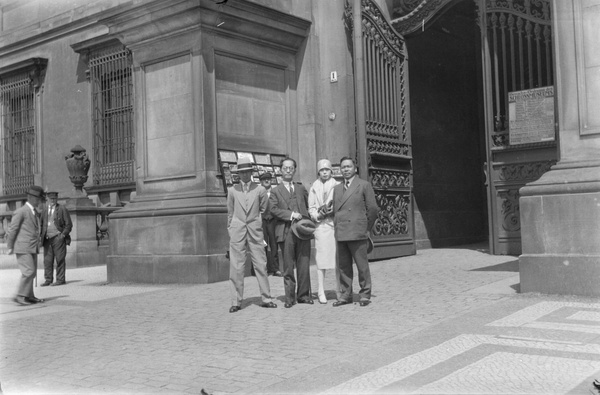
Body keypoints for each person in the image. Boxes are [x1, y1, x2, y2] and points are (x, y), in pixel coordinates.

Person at [227, 157, 277, 313]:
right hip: (237, 231)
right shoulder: (232, 191)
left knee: (261, 264)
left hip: (255, 231)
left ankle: (266, 298)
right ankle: (236, 301)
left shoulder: (260, 190)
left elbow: (264, 208)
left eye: (247, 172)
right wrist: (231, 228)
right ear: (238, 174)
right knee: (236, 266)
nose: (244, 175)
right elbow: (230, 212)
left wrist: (256, 221)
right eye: (241, 172)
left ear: (251, 172)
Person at [332, 157, 379, 307]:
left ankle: (365, 294)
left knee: (361, 265)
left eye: (348, 167)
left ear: (355, 169)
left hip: (357, 231)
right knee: (343, 266)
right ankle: (346, 295)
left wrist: (365, 228)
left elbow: (373, 209)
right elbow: (336, 211)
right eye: (343, 167)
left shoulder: (364, 185)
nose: (346, 169)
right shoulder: (337, 189)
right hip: (342, 232)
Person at [269, 157, 314, 308]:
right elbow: (273, 209)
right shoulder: (275, 191)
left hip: (302, 231)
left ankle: (303, 295)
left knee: (303, 263)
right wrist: (290, 215)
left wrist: (308, 220)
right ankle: (289, 297)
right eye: (285, 168)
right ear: (280, 170)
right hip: (285, 231)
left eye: (291, 168)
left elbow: (308, 206)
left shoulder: (301, 189)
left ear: (294, 170)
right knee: (288, 266)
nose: (288, 170)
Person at [6, 185, 46, 306]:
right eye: (38, 198)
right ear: (30, 198)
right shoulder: (21, 211)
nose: (39, 201)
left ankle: (29, 296)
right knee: (28, 272)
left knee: (32, 272)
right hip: (23, 247)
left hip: (32, 247)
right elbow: (13, 229)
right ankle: (20, 296)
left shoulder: (34, 212)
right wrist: (10, 246)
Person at [308, 159, 340, 304]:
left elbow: (341, 204)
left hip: (335, 225)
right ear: (318, 172)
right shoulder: (314, 187)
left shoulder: (337, 186)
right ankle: (321, 291)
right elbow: (311, 207)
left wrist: (332, 212)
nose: (325, 172)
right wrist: (318, 215)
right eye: (322, 170)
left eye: (327, 169)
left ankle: (339, 289)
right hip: (321, 226)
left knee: (338, 259)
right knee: (321, 260)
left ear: (331, 171)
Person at [40, 191, 73, 286]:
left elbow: (69, 224)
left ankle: (60, 280)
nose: (52, 200)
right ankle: (48, 280)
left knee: (60, 259)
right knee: (47, 261)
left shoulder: (62, 209)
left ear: (57, 199)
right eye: (51, 199)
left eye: (54, 199)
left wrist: (62, 235)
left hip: (58, 238)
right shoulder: (44, 210)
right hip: (47, 239)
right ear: (47, 199)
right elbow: (41, 225)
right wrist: (40, 236)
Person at [258, 172, 282, 277]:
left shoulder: (274, 192)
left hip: (273, 221)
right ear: (261, 182)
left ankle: (275, 268)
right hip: (262, 221)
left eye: (268, 179)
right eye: (264, 180)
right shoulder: (258, 192)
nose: (267, 181)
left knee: (274, 245)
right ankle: (265, 269)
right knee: (263, 245)